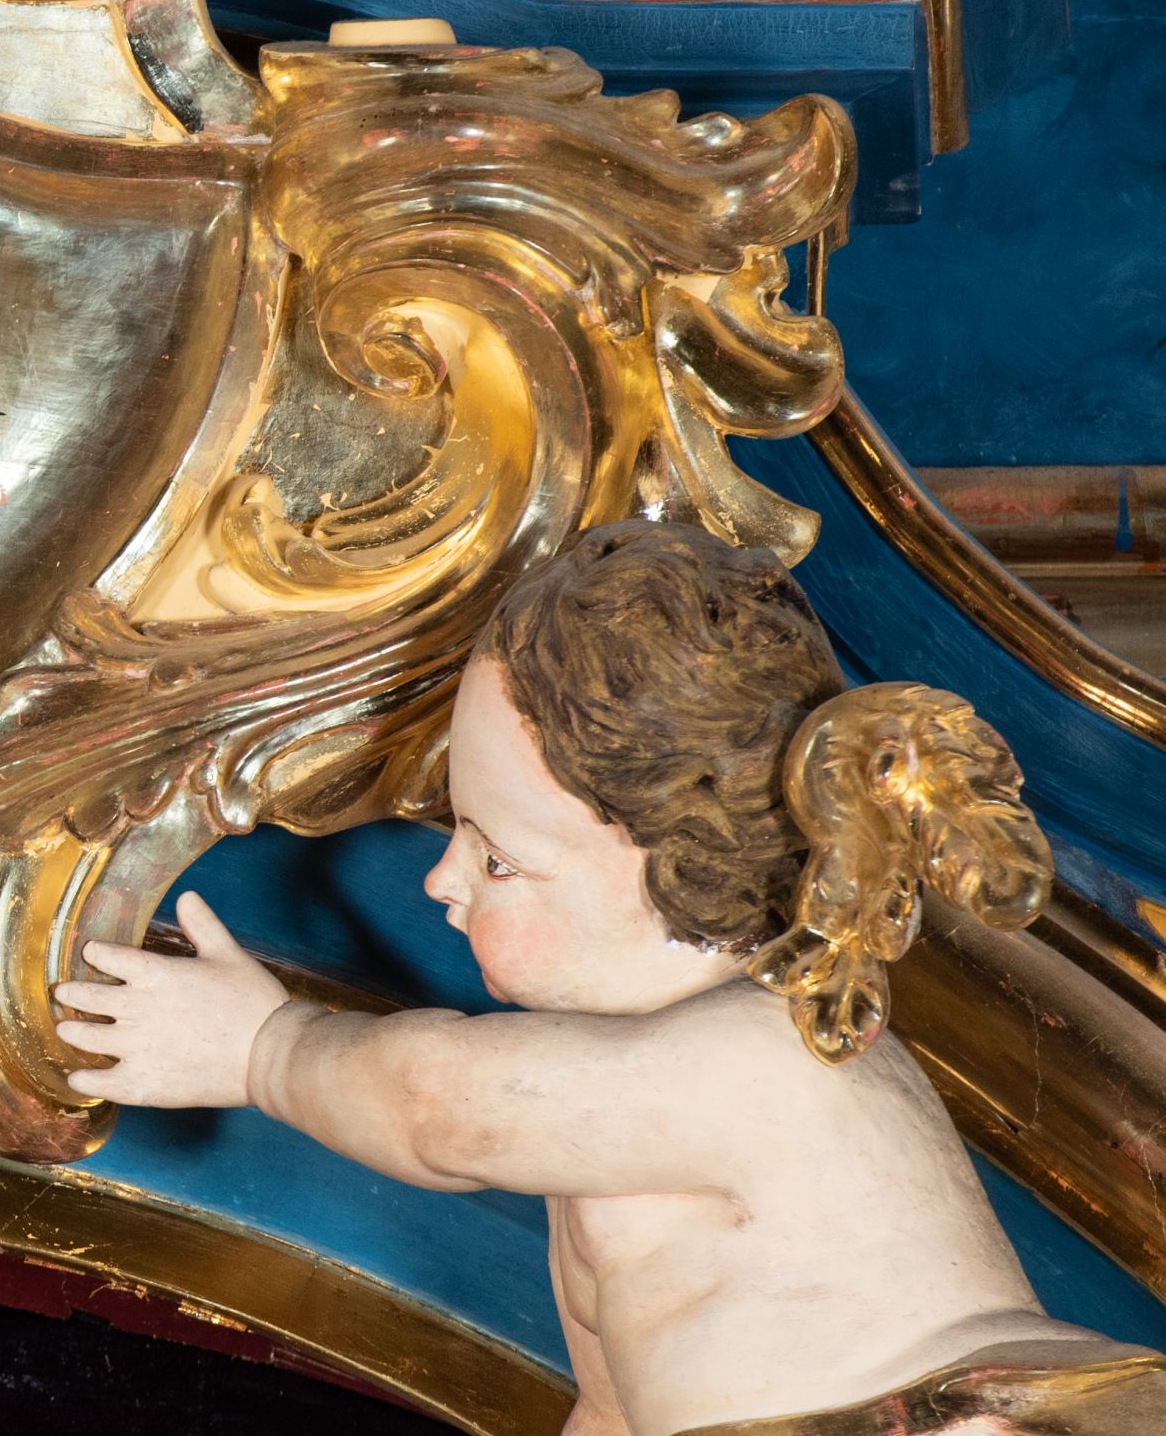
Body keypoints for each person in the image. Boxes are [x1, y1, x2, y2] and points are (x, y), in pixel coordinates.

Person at [56, 519, 1166, 1436]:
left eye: (497, 858)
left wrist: (265, 1050)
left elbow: (438, 1103)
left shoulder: (764, 1060)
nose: (443, 880)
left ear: (671, 865)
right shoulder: (610, 1123)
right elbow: (617, 1394)